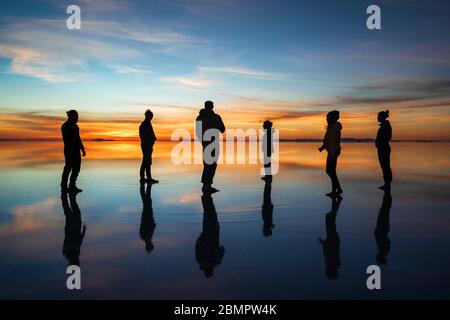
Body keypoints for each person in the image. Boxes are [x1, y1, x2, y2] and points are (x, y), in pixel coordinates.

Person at [196, 101, 225, 193]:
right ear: (212, 106)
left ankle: (206, 185)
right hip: (213, 143)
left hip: (205, 144)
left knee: (207, 165)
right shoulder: (216, 117)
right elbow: (223, 129)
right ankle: (207, 186)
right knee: (211, 165)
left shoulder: (199, 117)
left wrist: (203, 142)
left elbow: (198, 132)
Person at [195, 192, 225, 278]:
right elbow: (197, 245)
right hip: (208, 234)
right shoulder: (202, 260)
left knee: (211, 214)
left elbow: (222, 249)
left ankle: (206, 196)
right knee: (208, 214)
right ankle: (206, 196)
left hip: (212, 234)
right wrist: (201, 236)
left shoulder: (215, 261)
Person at [318, 110, 343, 197]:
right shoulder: (331, 127)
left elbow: (333, 141)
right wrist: (323, 147)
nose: (326, 119)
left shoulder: (334, 127)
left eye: (328, 117)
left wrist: (332, 153)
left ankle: (337, 189)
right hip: (332, 151)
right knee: (331, 171)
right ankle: (336, 189)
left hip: (333, 151)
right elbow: (328, 140)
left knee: (330, 171)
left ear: (332, 118)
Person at [61, 110, 86, 193]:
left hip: (76, 150)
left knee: (76, 169)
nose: (78, 118)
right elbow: (67, 139)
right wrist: (75, 146)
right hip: (69, 150)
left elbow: (78, 139)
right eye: (76, 116)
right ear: (71, 116)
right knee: (68, 168)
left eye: (77, 116)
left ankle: (72, 185)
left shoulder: (75, 126)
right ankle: (64, 186)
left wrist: (82, 149)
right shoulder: (65, 126)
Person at [318, 195, 342, 279]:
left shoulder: (331, 262)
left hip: (332, 238)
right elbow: (329, 250)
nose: (326, 269)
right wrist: (324, 242)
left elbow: (327, 250)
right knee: (330, 217)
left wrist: (323, 242)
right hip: (332, 239)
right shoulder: (332, 261)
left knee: (330, 217)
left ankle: (337, 202)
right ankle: (338, 202)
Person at [61, 192, 86, 266]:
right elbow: (79, 243)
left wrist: (83, 231)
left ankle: (65, 196)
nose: (78, 260)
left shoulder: (68, 253)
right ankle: (69, 196)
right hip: (75, 228)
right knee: (74, 211)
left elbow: (78, 243)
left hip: (72, 229)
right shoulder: (71, 254)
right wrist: (83, 231)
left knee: (69, 212)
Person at [139, 109, 158, 184]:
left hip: (149, 146)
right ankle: (145, 178)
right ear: (147, 116)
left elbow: (151, 134)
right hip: (146, 146)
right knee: (146, 161)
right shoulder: (144, 125)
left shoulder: (148, 124)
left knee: (147, 161)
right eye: (150, 116)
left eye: (151, 117)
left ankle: (145, 177)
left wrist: (153, 138)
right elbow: (143, 136)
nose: (151, 118)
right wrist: (151, 139)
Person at [375, 110, 393, 190]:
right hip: (381, 148)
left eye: (378, 116)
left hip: (384, 148)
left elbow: (388, 137)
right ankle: (386, 183)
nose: (377, 118)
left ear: (382, 117)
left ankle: (387, 184)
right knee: (384, 166)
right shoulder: (383, 126)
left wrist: (380, 142)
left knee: (385, 166)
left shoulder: (386, 126)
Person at [374, 189, 392, 265]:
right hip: (382, 229)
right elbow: (386, 241)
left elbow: (387, 241)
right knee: (384, 211)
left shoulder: (383, 250)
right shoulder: (383, 249)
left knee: (384, 211)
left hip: (382, 229)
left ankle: (387, 195)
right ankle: (387, 195)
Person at [140, 183, 156, 253]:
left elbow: (143, 227)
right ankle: (143, 186)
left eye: (150, 244)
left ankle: (143, 186)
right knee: (147, 200)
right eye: (151, 244)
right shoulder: (146, 237)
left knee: (147, 200)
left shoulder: (144, 237)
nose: (151, 243)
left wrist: (152, 225)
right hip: (148, 216)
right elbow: (150, 227)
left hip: (147, 216)